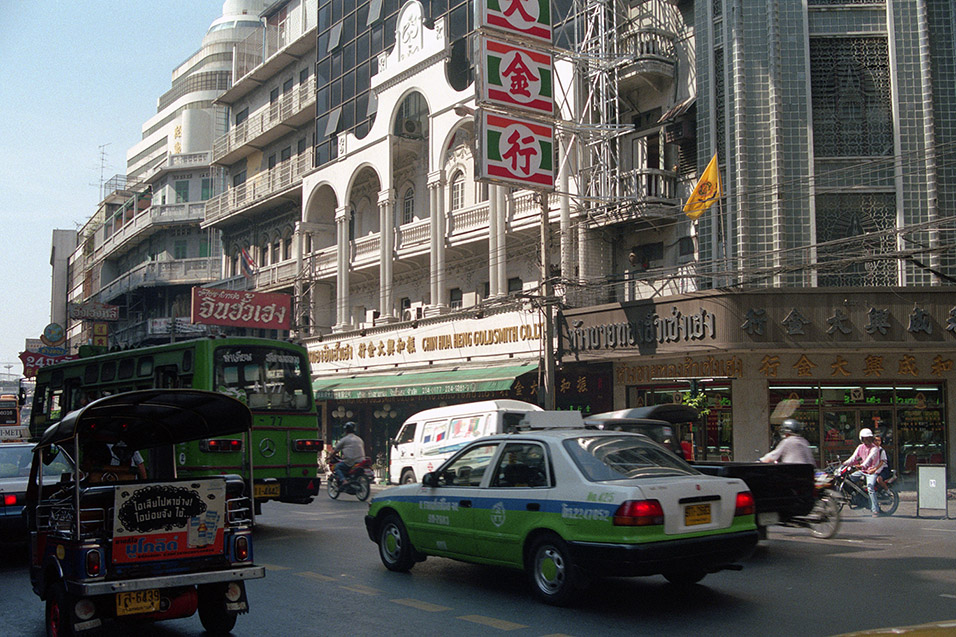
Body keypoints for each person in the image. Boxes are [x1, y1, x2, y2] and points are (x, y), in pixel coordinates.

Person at [841, 427, 881, 517]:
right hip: (862, 471)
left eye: (869, 438)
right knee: (849, 479)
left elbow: (868, 460)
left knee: (870, 487)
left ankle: (875, 509)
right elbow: (853, 458)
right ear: (861, 439)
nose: (867, 440)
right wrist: (844, 463)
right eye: (865, 438)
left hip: (872, 471)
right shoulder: (860, 447)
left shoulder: (874, 448)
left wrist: (861, 465)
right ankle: (858, 496)